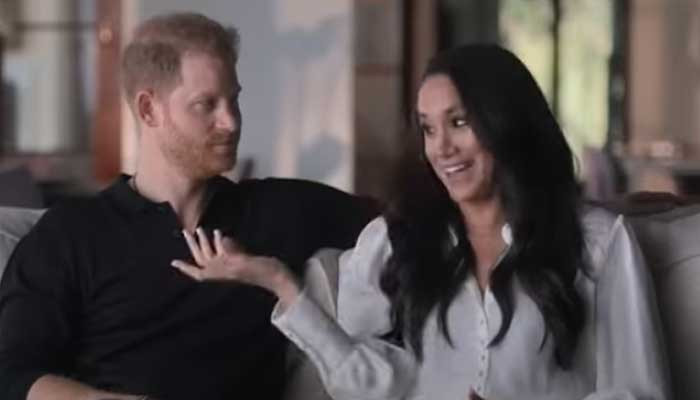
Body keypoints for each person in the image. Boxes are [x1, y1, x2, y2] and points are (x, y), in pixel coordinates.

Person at [175, 44, 672, 400]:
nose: (442, 148)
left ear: (506, 122)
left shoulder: (597, 242)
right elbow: (371, 387)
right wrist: (280, 283)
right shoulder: (396, 242)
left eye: (459, 122)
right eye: (428, 129)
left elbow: (640, 390)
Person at [0, 13, 376, 400]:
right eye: (206, 104)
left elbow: (402, 226)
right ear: (149, 110)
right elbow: (14, 376)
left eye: (233, 100)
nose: (230, 122)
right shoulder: (72, 234)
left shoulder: (279, 210)